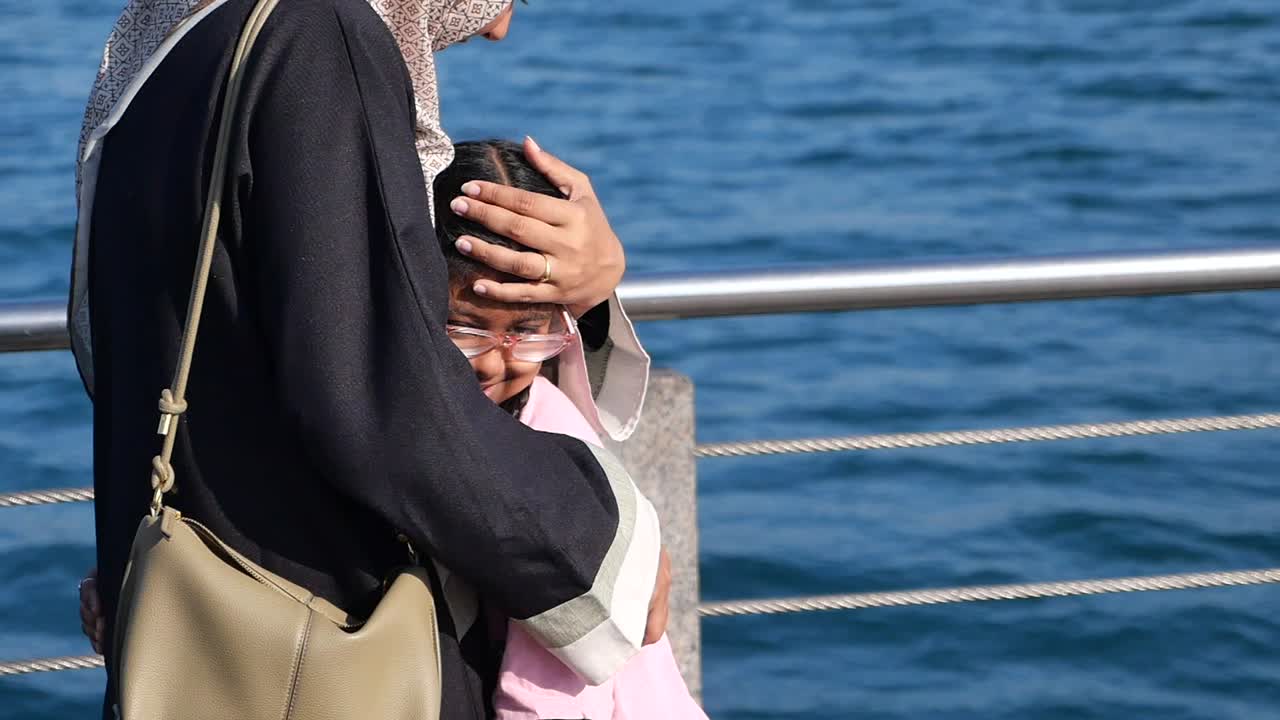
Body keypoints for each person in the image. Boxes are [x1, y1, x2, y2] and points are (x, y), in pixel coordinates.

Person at [69, 2, 667, 719]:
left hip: (195, 630)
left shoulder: (177, 39)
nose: (498, 25)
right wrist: (605, 551)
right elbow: (380, 402)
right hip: (308, 651)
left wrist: (590, 297)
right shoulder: (319, 36)